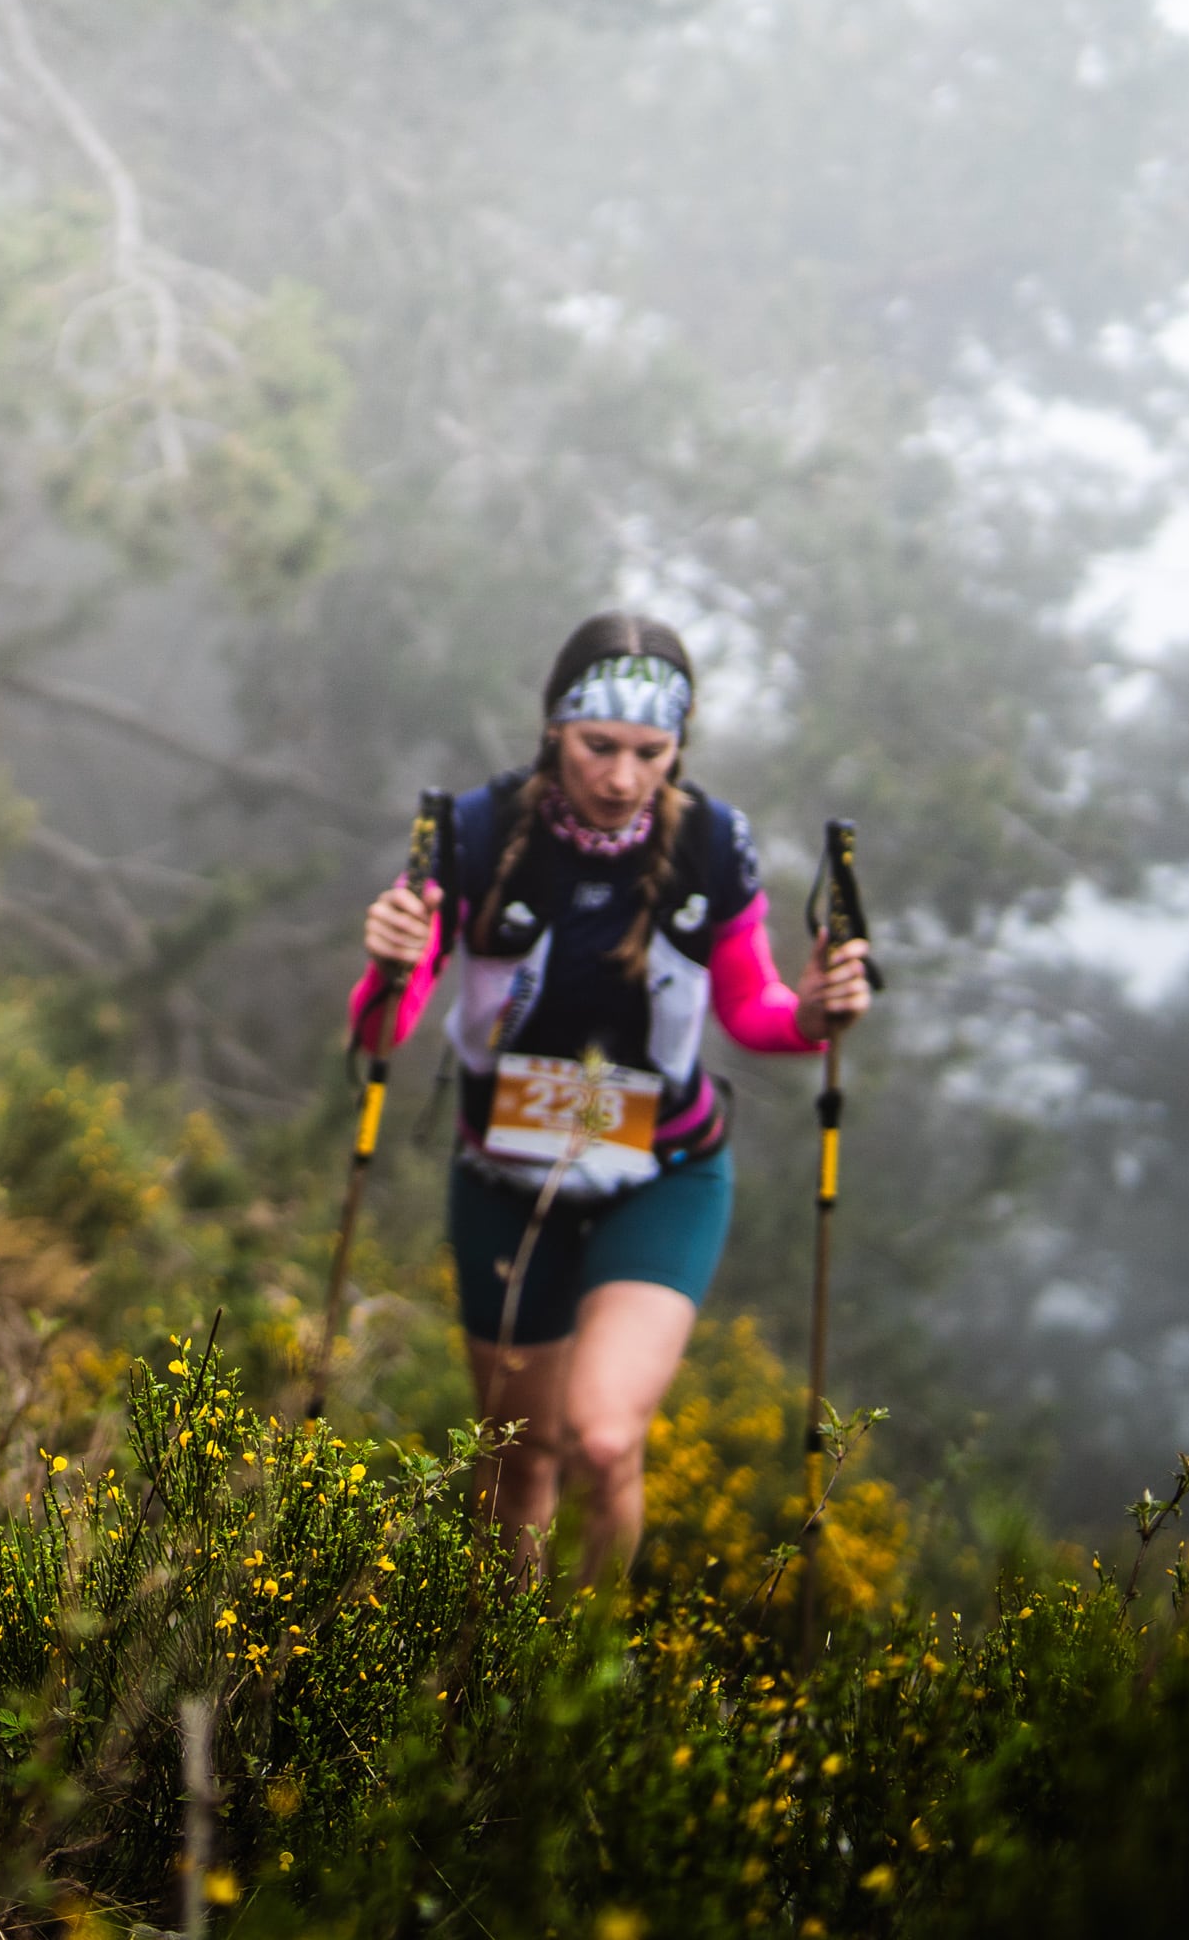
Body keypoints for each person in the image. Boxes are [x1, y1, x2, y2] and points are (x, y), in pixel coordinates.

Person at [352, 614, 873, 1578]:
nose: (623, 777)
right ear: (555, 729)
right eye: (599, 746)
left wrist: (815, 1011)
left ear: (678, 747)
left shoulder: (712, 844)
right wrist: (386, 965)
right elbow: (385, 1030)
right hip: (505, 1174)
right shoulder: (475, 831)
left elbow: (754, 1009)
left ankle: (586, 1680)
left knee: (601, 1438)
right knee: (517, 1467)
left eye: (651, 751)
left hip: (664, 1172)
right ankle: (504, 1680)